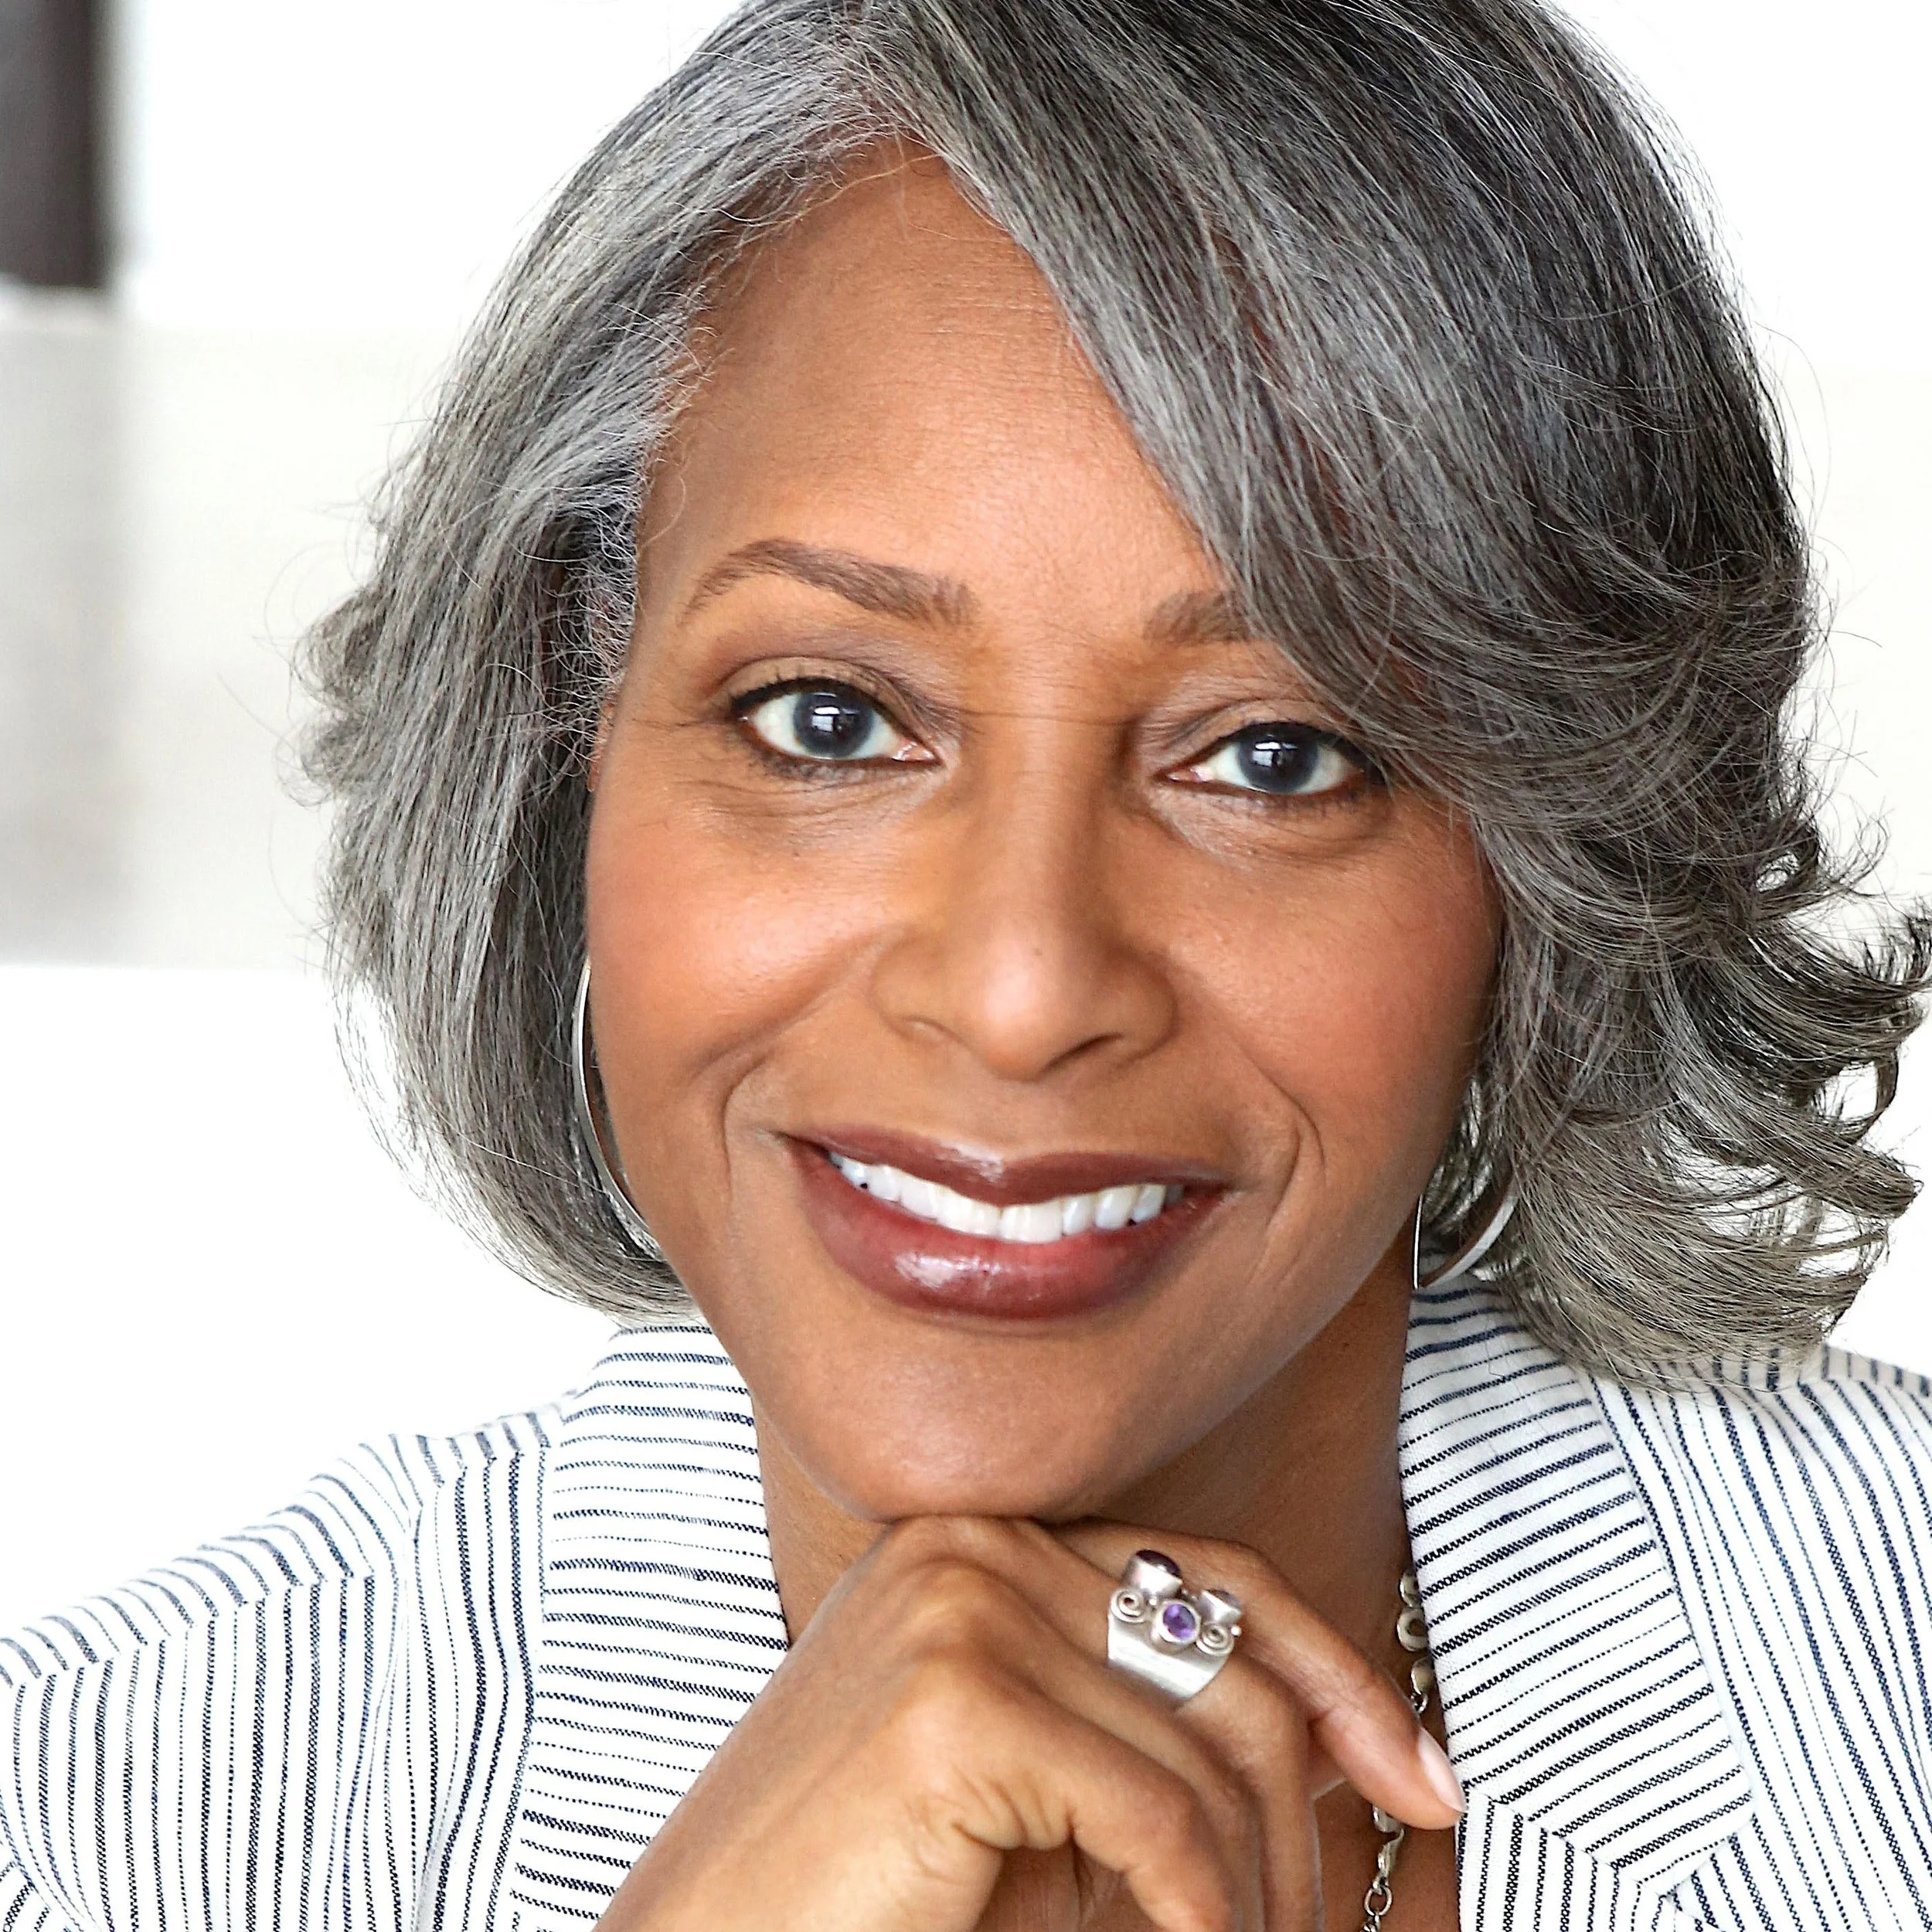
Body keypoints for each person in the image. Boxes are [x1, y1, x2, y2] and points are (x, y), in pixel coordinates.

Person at [5, 2, 1931, 1927]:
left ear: (1560, 846)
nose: (1018, 989)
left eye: (1273, 754)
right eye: (828, 720)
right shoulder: (92, 1824)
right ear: (566, 729)